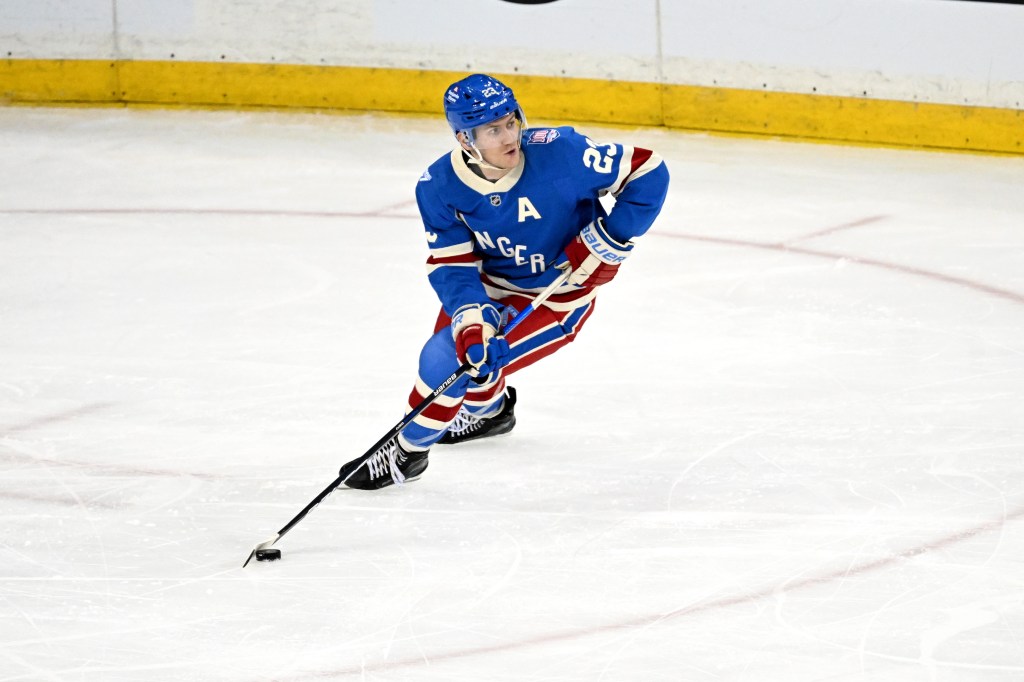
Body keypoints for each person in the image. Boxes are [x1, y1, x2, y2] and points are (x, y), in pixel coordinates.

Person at [339, 73, 669, 489]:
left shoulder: (562, 153)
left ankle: (406, 452)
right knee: (468, 355)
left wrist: (606, 241)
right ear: (465, 140)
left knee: (450, 359)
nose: (509, 136)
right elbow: (454, 264)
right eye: (493, 130)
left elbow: (649, 171)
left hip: (555, 297)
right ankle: (492, 411)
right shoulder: (439, 185)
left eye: (511, 121)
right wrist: (473, 320)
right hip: (489, 287)